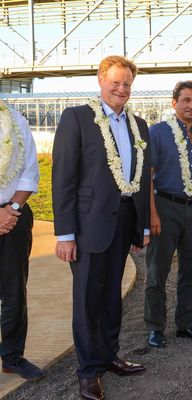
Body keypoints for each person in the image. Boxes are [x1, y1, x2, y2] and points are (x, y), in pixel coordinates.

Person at [52, 55, 150, 400]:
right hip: (88, 226)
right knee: (88, 300)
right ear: (100, 79)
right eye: (116, 81)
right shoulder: (77, 118)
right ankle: (88, 371)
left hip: (124, 223)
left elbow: (140, 180)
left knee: (112, 297)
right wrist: (65, 234)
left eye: (127, 83)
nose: (121, 88)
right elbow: (63, 178)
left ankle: (109, 356)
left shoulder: (139, 125)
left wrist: (141, 229)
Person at [144, 81, 192, 349]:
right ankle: (155, 328)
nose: (191, 106)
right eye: (186, 100)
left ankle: (186, 324)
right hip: (165, 208)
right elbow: (149, 177)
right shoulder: (157, 133)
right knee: (157, 271)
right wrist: (152, 213)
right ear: (174, 102)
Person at [0, 99, 44, 381]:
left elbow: (30, 171)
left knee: (15, 291)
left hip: (14, 217)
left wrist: (11, 210)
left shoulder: (16, 119)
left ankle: (12, 357)